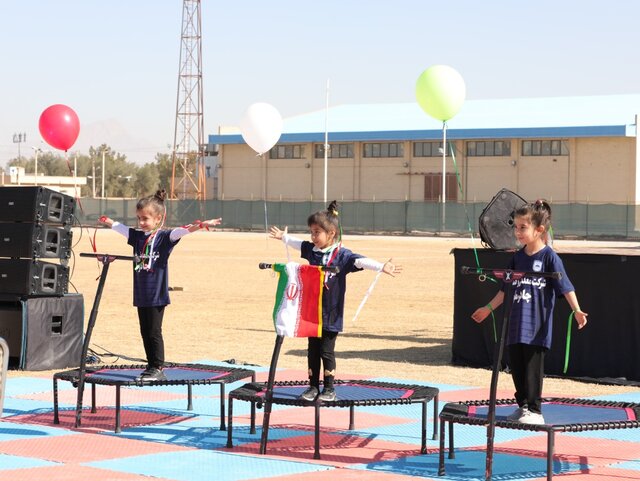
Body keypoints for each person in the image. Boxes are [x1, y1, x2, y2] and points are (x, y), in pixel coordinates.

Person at [269, 200, 401, 402]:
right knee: (312, 350)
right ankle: (312, 387)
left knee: (326, 351)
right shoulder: (312, 250)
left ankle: (329, 389)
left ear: (331, 233)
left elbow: (361, 261)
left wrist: (382, 266)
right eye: (311, 232)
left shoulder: (343, 255)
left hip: (331, 313)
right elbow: (298, 244)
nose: (313, 237)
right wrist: (283, 238)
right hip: (311, 312)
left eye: (317, 232)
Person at [471, 199, 588, 424]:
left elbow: (566, 286)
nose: (518, 232)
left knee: (532, 370)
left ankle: (535, 410)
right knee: (516, 366)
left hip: (536, 327)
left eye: (523, 227)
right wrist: (487, 308)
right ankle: (523, 405)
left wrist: (577, 310)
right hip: (515, 324)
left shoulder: (549, 257)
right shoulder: (517, 257)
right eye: (515, 227)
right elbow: (505, 290)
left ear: (539, 230)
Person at [99, 189, 222, 381]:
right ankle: (150, 366)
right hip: (141, 294)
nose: (141, 222)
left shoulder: (165, 237)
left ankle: (158, 367)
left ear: (158, 219)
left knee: (154, 332)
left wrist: (201, 225)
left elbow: (183, 230)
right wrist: (108, 222)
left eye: (145, 219)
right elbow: (121, 228)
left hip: (156, 294)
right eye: (138, 218)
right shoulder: (137, 236)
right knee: (144, 331)